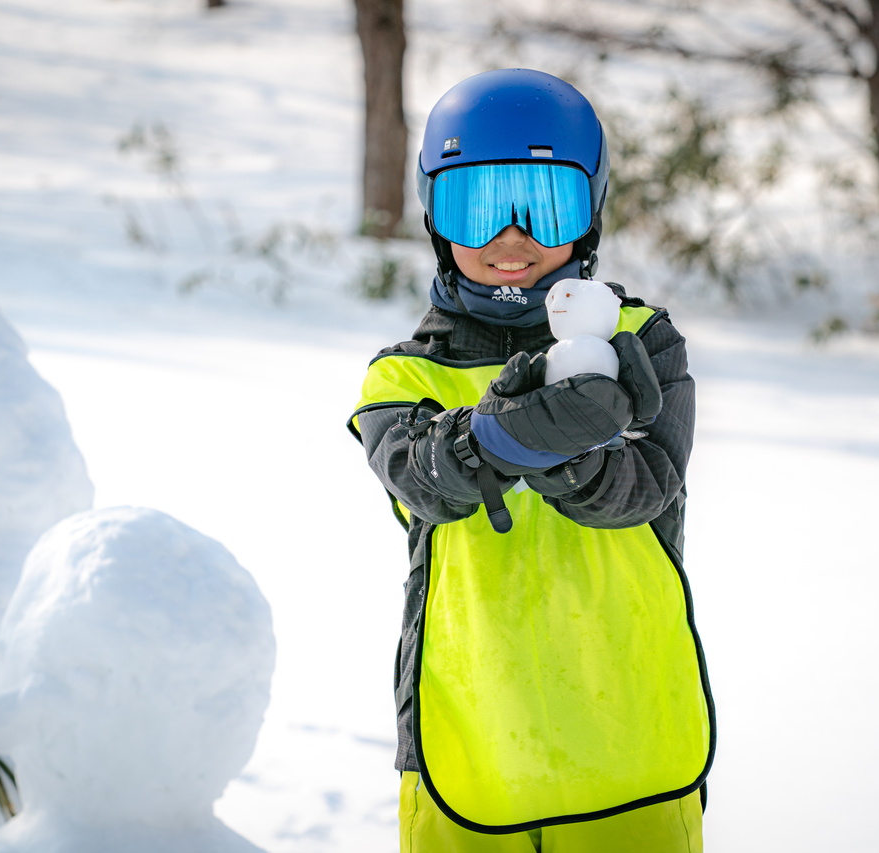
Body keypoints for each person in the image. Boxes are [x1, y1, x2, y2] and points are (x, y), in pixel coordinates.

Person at [348, 68, 714, 853]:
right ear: (434, 217)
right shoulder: (403, 374)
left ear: (590, 213)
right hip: (470, 742)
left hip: (634, 737)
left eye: (542, 206)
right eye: (476, 207)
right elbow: (425, 481)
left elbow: (647, 487)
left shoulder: (641, 341)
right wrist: (504, 433)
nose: (509, 239)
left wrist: (572, 456)